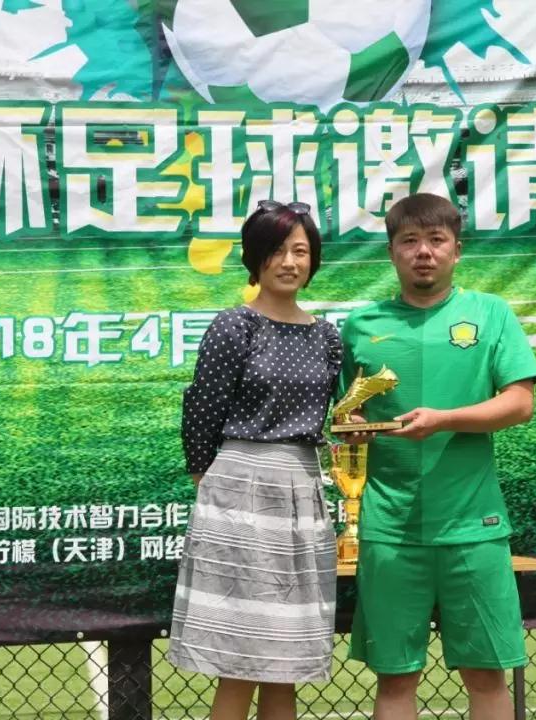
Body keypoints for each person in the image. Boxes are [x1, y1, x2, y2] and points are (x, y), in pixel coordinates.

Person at [336, 193, 536, 720]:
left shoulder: (491, 313)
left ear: (456, 250)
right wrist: (353, 431)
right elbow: (344, 418)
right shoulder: (360, 325)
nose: (423, 252)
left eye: (436, 240)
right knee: (395, 678)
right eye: (409, 241)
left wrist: (445, 419)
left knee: (486, 674)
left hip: (473, 525)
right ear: (391, 252)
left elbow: (520, 403)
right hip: (389, 528)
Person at [168, 200, 342, 720]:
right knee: (241, 658)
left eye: (300, 251)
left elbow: (336, 412)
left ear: (313, 260)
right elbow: (202, 406)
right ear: (254, 258)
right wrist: (207, 479)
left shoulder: (328, 336)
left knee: (285, 658)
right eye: (276, 250)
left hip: (303, 487)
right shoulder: (234, 326)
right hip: (240, 489)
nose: (289, 262)